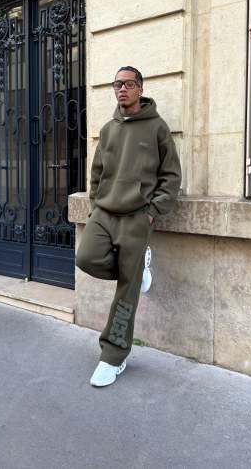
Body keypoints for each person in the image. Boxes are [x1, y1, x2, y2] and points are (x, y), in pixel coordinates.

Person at [76, 66, 181, 387]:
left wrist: (153, 211)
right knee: (86, 258)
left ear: (140, 89)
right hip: (105, 213)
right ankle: (136, 270)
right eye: (117, 84)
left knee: (127, 291)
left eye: (128, 84)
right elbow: (97, 172)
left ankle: (113, 356)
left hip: (137, 217)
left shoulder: (157, 128)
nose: (122, 89)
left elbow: (171, 175)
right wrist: (95, 205)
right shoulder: (108, 129)